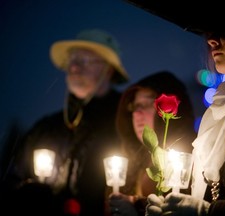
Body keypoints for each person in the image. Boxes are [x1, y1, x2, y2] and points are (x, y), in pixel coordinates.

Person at [122, 1, 225, 216]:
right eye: (209, 32)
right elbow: (202, 192)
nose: (211, 40)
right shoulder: (219, 109)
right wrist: (148, 207)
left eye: (223, 31)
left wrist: (206, 212)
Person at [1, 28, 129, 216]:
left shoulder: (127, 124)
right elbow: (11, 179)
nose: (75, 67)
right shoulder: (46, 127)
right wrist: (26, 195)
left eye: (85, 60)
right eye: (72, 61)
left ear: (108, 70)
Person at [107, 71, 197, 216]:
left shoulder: (194, 163)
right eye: (135, 106)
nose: (137, 113)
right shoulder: (129, 166)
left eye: (148, 103)